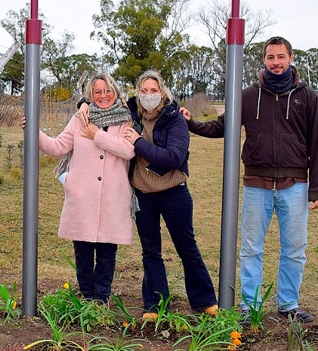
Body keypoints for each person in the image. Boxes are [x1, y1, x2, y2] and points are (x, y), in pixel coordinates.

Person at [181, 36, 318, 323]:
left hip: (294, 186)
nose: (276, 62)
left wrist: (316, 188)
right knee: (250, 249)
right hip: (257, 185)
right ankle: (250, 307)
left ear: (290, 58)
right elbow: (221, 127)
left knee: (295, 249)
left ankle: (288, 305)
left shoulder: (307, 97)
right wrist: (191, 123)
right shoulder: (246, 96)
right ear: (264, 59)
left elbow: (317, 143)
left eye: (281, 57)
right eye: (271, 57)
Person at [79, 70, 218, 319]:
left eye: (154, 91)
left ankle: (204, 300)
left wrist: (139, 142)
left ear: (162, 92)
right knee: (150, 251)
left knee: (186, 247)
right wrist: (83, 105)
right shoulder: (130, 112)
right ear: (137, 93)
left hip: (174, 193)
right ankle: (155, 304)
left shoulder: (175, 118)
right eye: (144, 91)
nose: (149, 95)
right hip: (143, 195)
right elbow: (104, 103)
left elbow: (174, 158)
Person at [24, 74, 135, 303]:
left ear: (115, 92)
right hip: (83, 197)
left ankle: (101, 298)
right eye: (97, 92)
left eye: (107, 91)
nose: (103, 96)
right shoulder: (79, 119)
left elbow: (128, 150)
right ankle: (86, 297)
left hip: (112, 197)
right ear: (90, 95)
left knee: (107, 252)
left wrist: (97, 136)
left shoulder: (126, 120)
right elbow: (58, 147)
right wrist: (34, 131)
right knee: (83, 251)